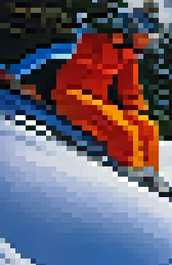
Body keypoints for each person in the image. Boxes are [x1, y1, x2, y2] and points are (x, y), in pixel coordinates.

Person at [52, 10, 161, 179]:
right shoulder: (91, 42)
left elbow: (130, 91)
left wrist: (137, 114)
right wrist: (14, 73)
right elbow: (50, 52)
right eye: (146, 36)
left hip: (97, 101)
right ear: (133, 31)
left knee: (148, 129)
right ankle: (130, 174)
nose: (148, 42)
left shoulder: (128, 55)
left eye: (151, 39)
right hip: (71, 98)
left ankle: (150, 175)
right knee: (124, 131)